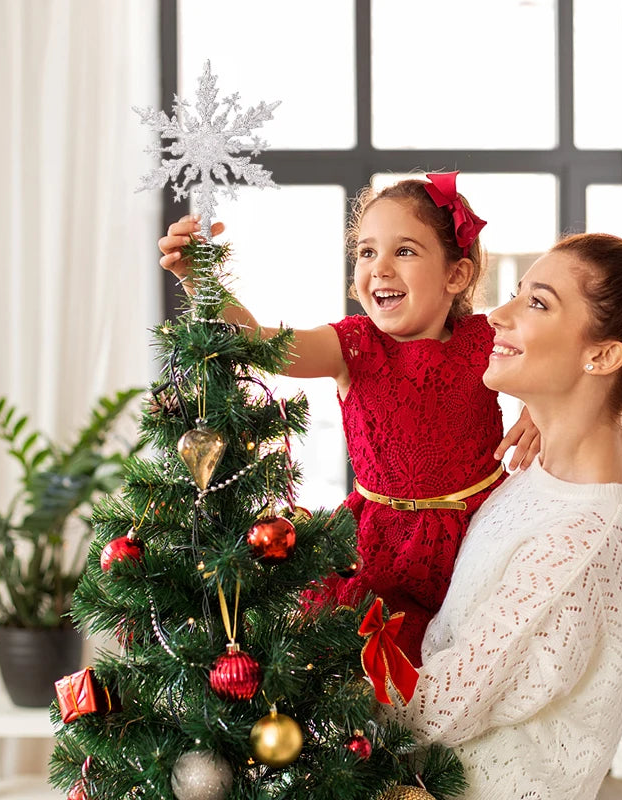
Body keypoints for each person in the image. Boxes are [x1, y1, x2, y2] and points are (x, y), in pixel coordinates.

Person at [158, 172, 539, 665]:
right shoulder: (351, 345)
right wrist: (200, 280)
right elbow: (258, 342)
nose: (379, 268)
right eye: (366, 252)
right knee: (374, 678)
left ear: (456, 276)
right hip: (375, 546)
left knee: (467, 667)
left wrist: (538, 407)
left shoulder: (482, 340)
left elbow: (560, 356)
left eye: (404, 251)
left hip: (477, 538)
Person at [379, 233, 622, 799]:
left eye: (537, 303)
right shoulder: (579, 454)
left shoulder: (580, 540)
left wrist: (318, 652)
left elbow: (436, 711)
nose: (496, 316)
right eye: (517, 294)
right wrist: (544, 403)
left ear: (602, 356)